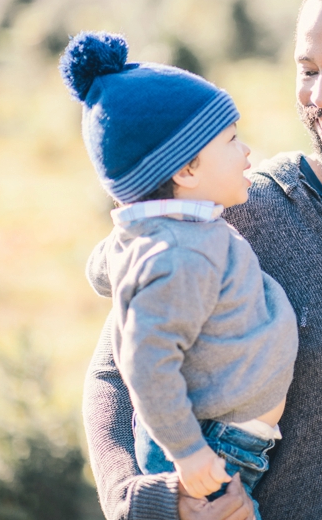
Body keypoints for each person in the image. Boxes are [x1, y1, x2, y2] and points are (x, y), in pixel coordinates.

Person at [82, 0, 322, 520]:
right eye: (307, 71)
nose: (320, 95)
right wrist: (147, 501)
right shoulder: (241, 214)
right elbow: (115, 371)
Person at [61, 31, 299, 519]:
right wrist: (190, 454)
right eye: (232, 141)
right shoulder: (178, 254)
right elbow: (146, 365)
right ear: (188, 168)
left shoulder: (153, 234)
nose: (248, 152)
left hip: (219, 442)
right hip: (211, 451)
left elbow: (103, 269)